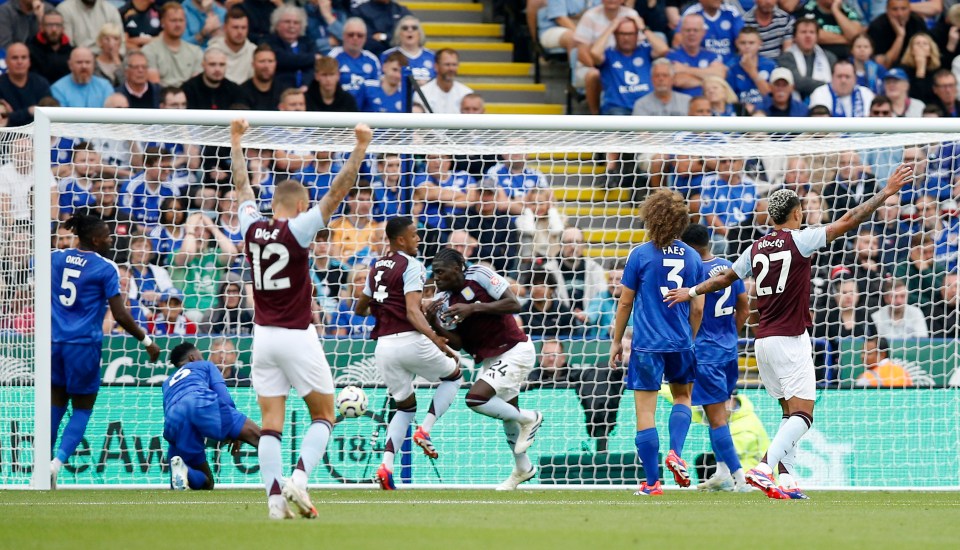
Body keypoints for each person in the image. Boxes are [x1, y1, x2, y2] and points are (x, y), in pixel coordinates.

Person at [665, 163, 914, 500]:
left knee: (788, 413)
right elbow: (848, 220)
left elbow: (725, 278)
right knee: (804, 415)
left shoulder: (755, 249)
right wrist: (885, 192)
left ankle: (788, 479)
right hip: (790, 339)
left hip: (762, 342)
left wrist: (692, 291)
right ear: (796, 213)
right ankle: (765, 467)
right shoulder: (801, 239)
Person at [231, 118, 372, 519]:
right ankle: (300, 479)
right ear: (297, 207)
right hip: (296, 335)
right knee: (324, 415)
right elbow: (339, 189)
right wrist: (360, 146)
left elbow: (242, 186)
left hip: (262, 338)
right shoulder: (300, 228)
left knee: (271, 423)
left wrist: (235, 138)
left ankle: (275, 502)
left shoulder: (250, 227)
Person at [50, 214, 161, 488]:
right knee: (83, 408)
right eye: (108, 236)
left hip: (53, 343)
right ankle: (56, 463)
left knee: (55, 405)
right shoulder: (105, 267)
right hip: (84, 345)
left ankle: (41, 465)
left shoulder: (56, 257)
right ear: (96, 239)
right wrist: (147, 341)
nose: (111, 240)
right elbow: (121, 314)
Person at [353, 216, 462, 490]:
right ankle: (425, 429)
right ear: (400, 239)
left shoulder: (376, 265)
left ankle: (386, 468)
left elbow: (360, 308)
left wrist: (385, 308)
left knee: (404, 407)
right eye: (414, 235)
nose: (418, 239)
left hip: (384, 348)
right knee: (454, 376)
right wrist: (438, 341)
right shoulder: (411, 265)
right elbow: (413, 312)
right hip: (410, 341)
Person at [609, 189, 704, 496]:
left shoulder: (640, 255)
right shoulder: (692, 256)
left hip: (647, 345)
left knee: (645, 412)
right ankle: (676, 451)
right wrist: (689, 338)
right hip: (680, 343)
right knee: (682, 398)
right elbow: (698, 306)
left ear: (650, 218)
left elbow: (625, 303)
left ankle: (652, 483)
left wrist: (616, 342)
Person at [427, 247, 543, 491]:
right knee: (507, 414)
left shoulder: (480, 274)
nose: (436, 277)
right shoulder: (444, 300)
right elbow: (458, 343)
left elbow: (514, 304)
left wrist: (474, 308)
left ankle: (530, 419)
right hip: (492, 359)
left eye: (440, 272)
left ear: (457, 269)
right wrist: (432, 323)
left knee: (475, 399)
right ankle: (523, 468)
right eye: (434, 272)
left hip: (515, 349)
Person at [680, 223, 750, 493]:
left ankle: (740, 479)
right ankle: (722, 471)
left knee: (717, 417)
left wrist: (691, 342)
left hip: (706, 352)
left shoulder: (693, 271)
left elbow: (696, 310)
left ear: (689, 247)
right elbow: (744, 307)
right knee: (717, 414)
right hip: (728, 350)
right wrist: (731, 336)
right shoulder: (728, 266)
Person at [162, 342, 261, 490]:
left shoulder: (167, 383)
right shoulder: (205, 365)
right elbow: (225, 398)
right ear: (192, 357)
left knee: (207, 482)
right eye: (200, 355)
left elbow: (171, 420)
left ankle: (186, 472)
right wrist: (234, 430)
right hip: (199, 402)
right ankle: (281, 482)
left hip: (173, 420)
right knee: (260, 437)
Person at [589, 14, 668, 115]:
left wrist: (643, 28)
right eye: (622, 34)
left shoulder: (645, 51)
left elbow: (663, 49)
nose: (626, 38)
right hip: (618, 109)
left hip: (647, 108)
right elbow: (594, 53)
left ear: (637, 35)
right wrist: (611, 28)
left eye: (631, 34)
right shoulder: (609, 55)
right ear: (615, 35)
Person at [142, 2, 202, 87]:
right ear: (162, 22)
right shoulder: (149, 51)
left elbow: (195, 86)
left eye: (181, 20)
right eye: (173, 20)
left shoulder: (196, 52)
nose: (178, 25)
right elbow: (155, 86)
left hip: (188, 98)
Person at [777, 18, 836, 100]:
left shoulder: (829, 57)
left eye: (812, 32)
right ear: (795, 37)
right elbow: (798, 82)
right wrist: (829, 86)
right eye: (803, 32)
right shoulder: (786, 58)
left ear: (817, 36)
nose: (808, 36)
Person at [0, 42, 52, 127]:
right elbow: (3, 120)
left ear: (29, 61)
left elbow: (49, 114)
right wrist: (29, 111)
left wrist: (13, 115)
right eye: (15, 58)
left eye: (24, 57)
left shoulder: (41, 83)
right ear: (6, 61)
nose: (19, 62)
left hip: (39, 135)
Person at [181, 47, 246, 110]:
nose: (217, 69)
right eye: (212, 64)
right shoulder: (188, 89)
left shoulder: (234, 90)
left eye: (222, 64)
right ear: (203, 65)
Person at [809, 59, 876, 117]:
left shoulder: (866, 93)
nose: (843, 81)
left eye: (847, 76)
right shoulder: (820, 93)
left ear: (855, 78)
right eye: (839, 76)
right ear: (832, 77)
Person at [416, 48, 473, 114]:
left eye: (454, 65)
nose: (451, 68)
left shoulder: (466, 93)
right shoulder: (422, 93)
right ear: (436, 67)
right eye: (447, 64)